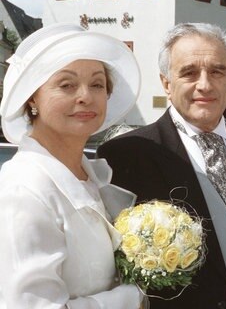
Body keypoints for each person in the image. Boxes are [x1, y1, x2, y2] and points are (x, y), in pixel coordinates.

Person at [97, 22, 226, 309]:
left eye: (217, 71)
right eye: (189, 72)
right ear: (166, 82)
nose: (205, 84)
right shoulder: (127, 155)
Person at [0, 23, 143, 308]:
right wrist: (132, 298)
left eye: (97, 84)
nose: (85, 96)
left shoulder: (89, 176)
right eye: (66, 85)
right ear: (33, 98)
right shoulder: (24, 189)